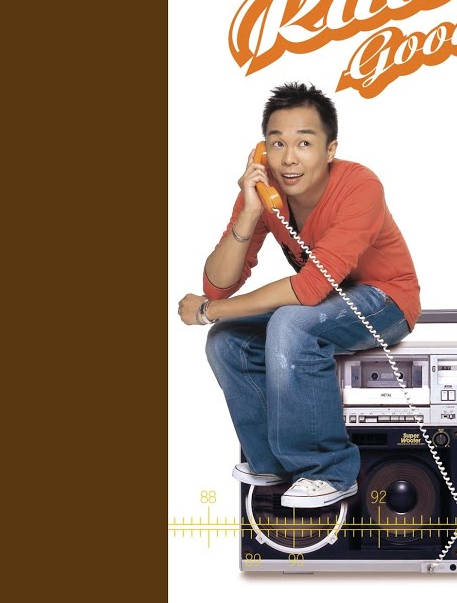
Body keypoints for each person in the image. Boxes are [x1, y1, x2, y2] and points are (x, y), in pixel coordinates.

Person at [177, 82, 421, 509]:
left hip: (385, 301)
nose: (288, 158)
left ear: (330, 150)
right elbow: (218, 283)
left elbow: (307, 289)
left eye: (304, 143)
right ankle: (272, 463)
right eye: (277, 143)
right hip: (325, 304)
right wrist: (250, 211)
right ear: (262, 150)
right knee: (228, 340)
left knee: (291, 323)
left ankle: (328, 470)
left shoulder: (361, 186)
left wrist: (209, 310)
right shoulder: (267, 191)